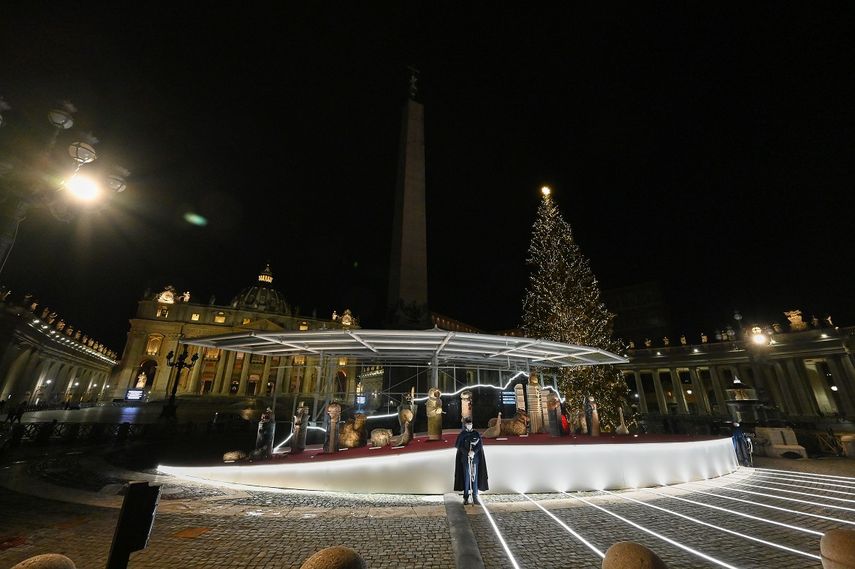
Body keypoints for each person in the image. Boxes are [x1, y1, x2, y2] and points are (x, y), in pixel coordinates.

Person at [453, 417, 488, 505]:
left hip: (475, 459)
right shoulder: (462, 434)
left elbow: (479, 445)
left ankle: (475, 496)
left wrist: (474, 452)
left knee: (474, 477)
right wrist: (467, 452)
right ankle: (466, 497)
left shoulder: (476, 433)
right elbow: (458, 445)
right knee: (466, 478)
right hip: (465, 459)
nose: (469, 425)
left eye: (470, 424)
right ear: (465, 425)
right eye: (468, 424)